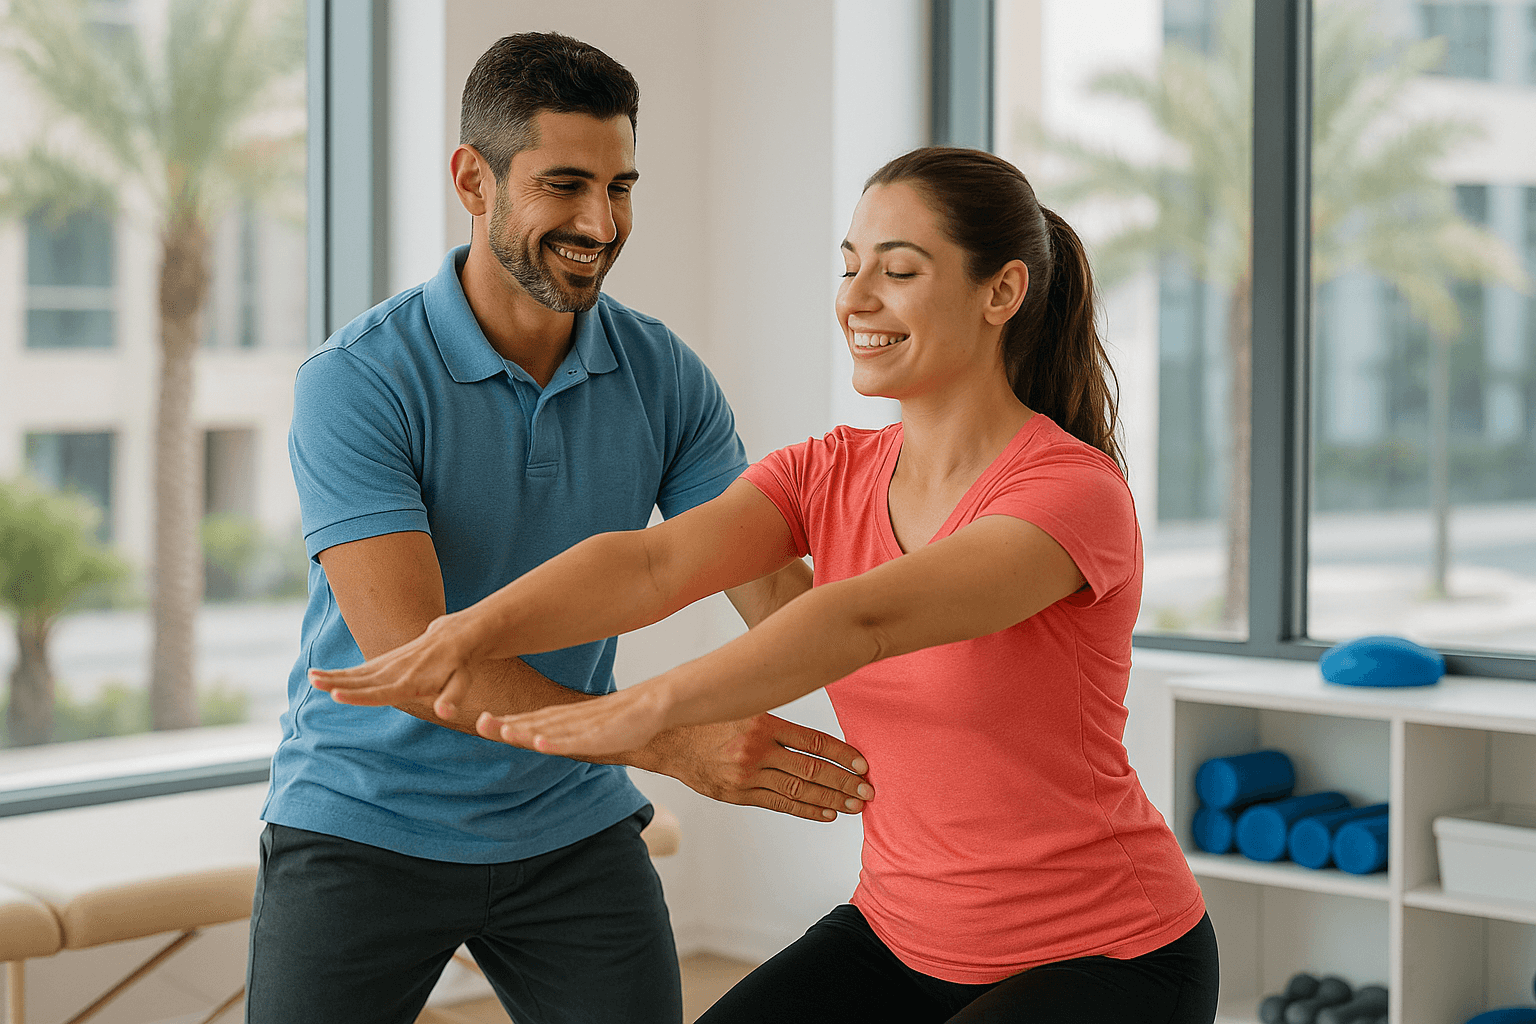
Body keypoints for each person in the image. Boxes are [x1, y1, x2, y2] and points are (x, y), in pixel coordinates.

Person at [313, 146, 1221, 1023]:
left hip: (1106, 955)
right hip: (902, 939)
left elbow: (861, 617)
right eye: (849, 266)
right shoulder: (826, 472)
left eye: (897, 272)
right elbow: (649, 563)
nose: (855, 300)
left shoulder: (1069, 493)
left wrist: (648, 712)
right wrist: (464, 634)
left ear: (1003, 292)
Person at [248, 32, 875, 1024]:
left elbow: (776, 594)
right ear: (473, 179)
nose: (600, 221)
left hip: (565, 820)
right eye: (565, 184)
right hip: (365, 815)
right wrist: (671, 741)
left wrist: (930, 656)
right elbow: (413, 655)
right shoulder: (359, 380)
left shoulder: (662, 375)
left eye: (620, 186)